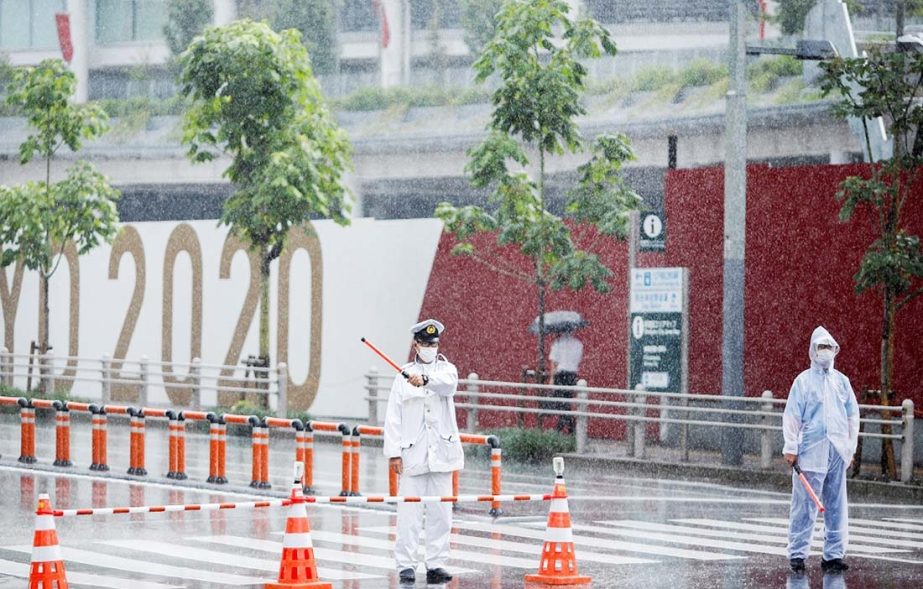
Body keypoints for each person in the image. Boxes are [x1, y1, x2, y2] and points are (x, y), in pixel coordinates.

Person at [383, 319, 463, 584]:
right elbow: (393, 417)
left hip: (442, 452)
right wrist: (394, 453)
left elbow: (447, 385)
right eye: (425, 343)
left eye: (434, 343)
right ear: (415, 344)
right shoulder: (402, 377)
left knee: (442, 513)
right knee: (409, 514)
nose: (430, 347)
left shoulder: (446, 370)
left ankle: (436, 564)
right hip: (412, 455)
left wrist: (425, 379)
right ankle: (406, 564)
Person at [783, 326, 859, 574]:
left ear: (835, 350)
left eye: (829, 347)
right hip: (810, 450)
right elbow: (792, 416)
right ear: (813, 351)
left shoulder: (842, 382)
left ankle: (834, 555)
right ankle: (797, 554)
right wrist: (791, 447)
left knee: (837, 504)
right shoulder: (803, 382)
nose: (825, 352)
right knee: (805, 505)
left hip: (837, 451)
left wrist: (850, 447)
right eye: (821, 347)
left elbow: (852, 417)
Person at [548, 330, 583, 434]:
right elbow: (578, 360)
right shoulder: (578, 344)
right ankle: (569, 428)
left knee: (561, 403)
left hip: (560, 375)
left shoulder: (557, 343)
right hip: (572, 375)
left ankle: (562, 428)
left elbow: (554, 362)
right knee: (567, 401)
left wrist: (552, 378)